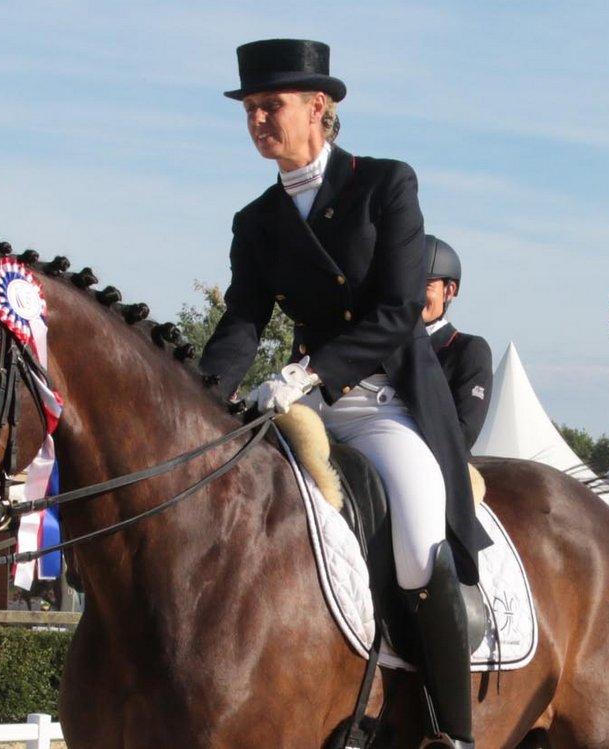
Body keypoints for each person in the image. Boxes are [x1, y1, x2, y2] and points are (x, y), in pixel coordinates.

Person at [199, 38, 491, 748]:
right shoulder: (256, 221)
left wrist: (307, 371)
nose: (258, 120)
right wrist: (200, 400)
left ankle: (452, 731)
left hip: (389, 406)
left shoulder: (384, 184)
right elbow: (242, 321)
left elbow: (396, 311)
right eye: (250, 109)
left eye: (272, 106)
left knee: (421, 546)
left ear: (318, 108)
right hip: (307, 409)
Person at [422, 236, 493, 447]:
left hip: (437, 462)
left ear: (449, 290)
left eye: (425, 284)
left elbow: (465, 430)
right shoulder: (383, 345)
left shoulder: (469, 350)